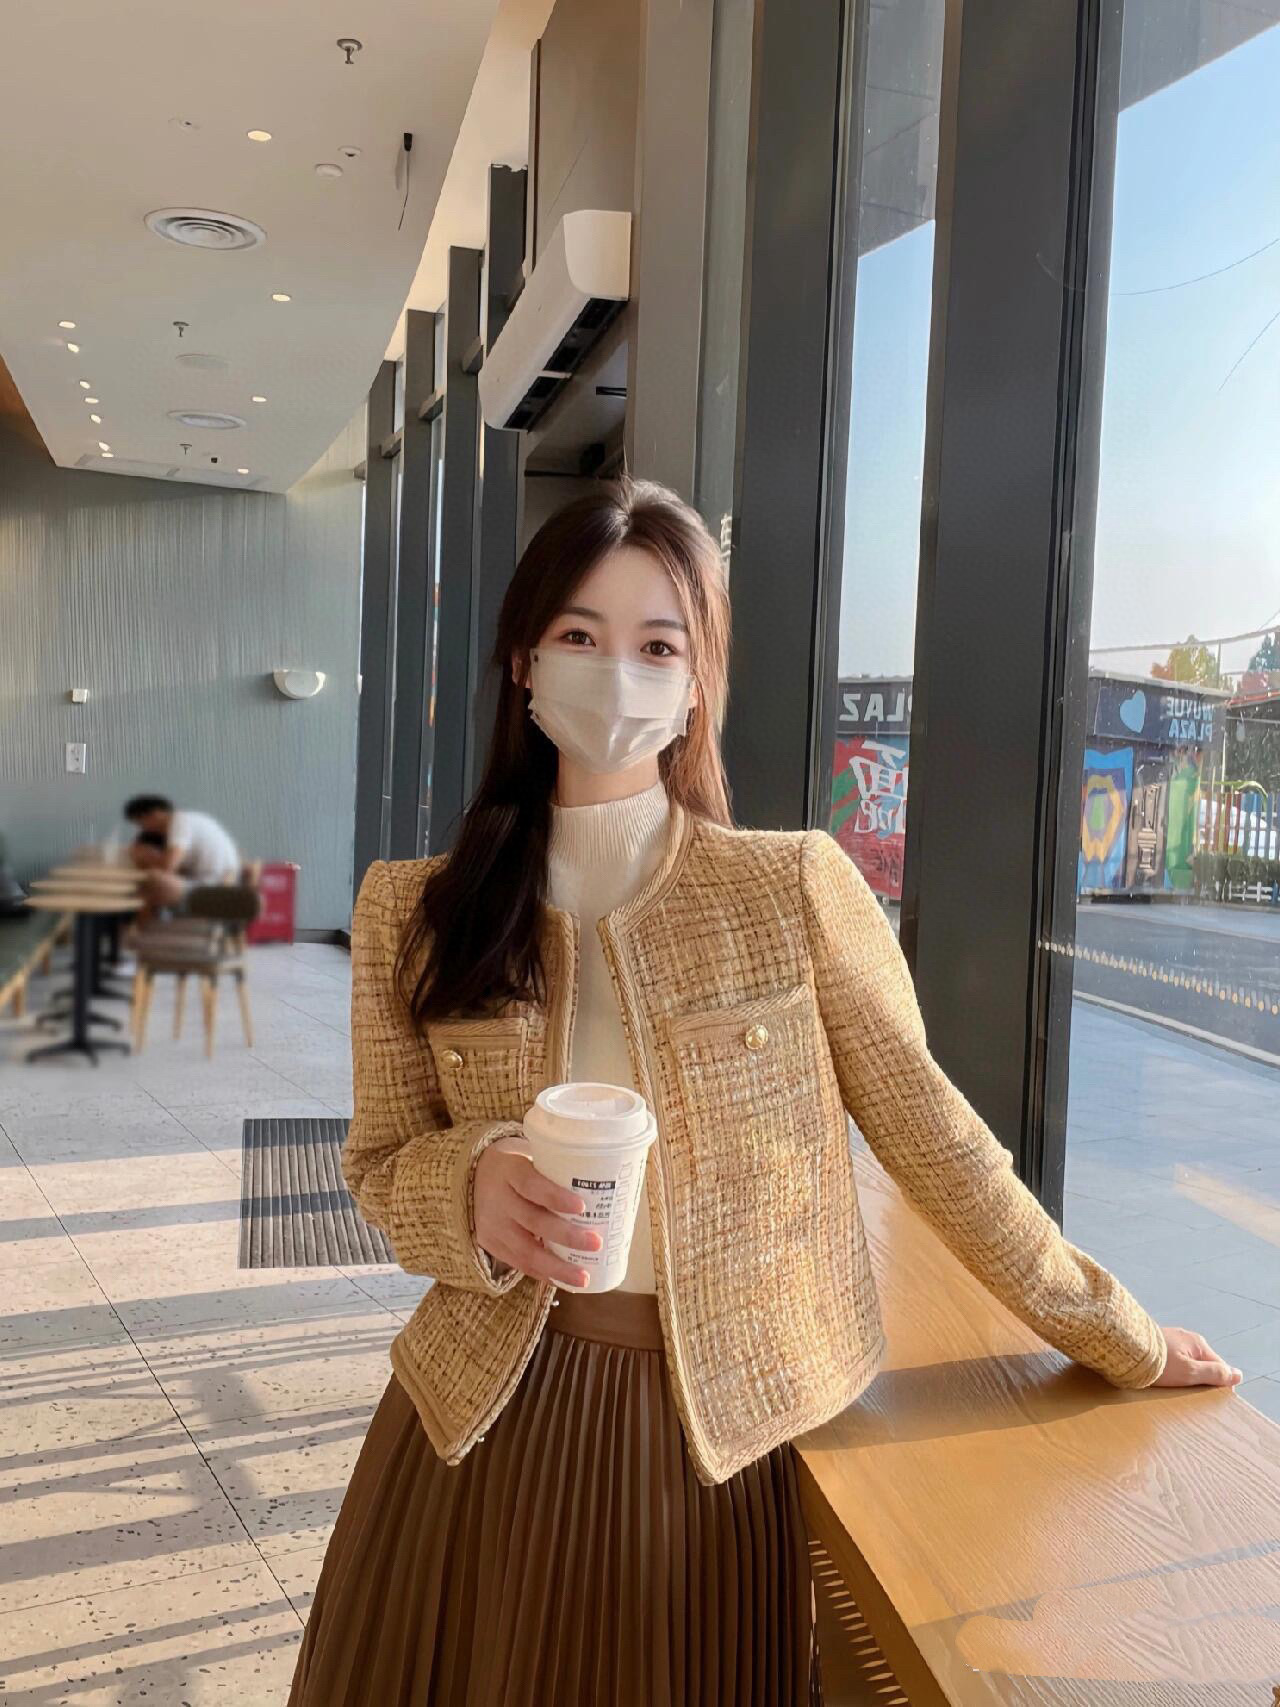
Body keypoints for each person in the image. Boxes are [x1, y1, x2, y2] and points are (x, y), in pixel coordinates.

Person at [289, 480, 1241, 1707]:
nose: (615, 673)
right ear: (522, 661)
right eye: (579, 634)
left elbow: (935, 1139)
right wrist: (466, 1188)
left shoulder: (788, 886)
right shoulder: (413, 910)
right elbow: (378, 1163)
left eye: (657, 645)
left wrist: (1116, 1333)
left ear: (698, 682)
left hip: (720, 1431)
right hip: (475, 1414)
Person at [120, 795, 239, 909]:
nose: (143, 829)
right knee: (151, 881)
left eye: (140, 823)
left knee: (155, 879)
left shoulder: (180, 822)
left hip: (214, 885)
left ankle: (139, 920)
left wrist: (147, 857)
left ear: (155, 814)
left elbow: (168, 867)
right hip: (219, 880)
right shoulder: (192, 819)